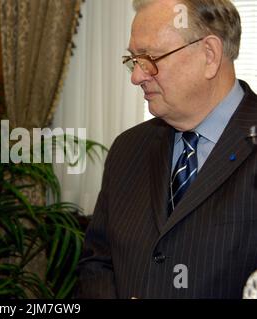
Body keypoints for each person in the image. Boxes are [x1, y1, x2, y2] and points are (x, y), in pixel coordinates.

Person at [76, 0, 257, 298]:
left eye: (150, 58)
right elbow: (97, 262)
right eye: (133, 60)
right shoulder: (128, 149)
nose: (136, 76)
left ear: (209, 55)